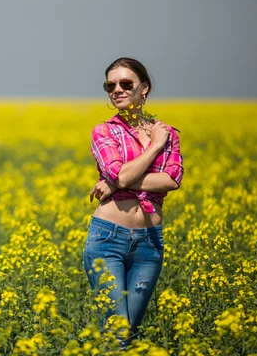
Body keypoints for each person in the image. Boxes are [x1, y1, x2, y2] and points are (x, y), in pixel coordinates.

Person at [83, 57, 184, 350]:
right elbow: (123, 175)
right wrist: (152, 148)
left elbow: (171, 180)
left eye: (126, 84)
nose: (117, 90)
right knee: (117, 334)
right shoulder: (104, 131)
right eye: (110, 85)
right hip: (107, 239)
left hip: (149, 243)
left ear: (144, 89)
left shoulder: (169, 133)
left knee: (129, 333)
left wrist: (116, 182)